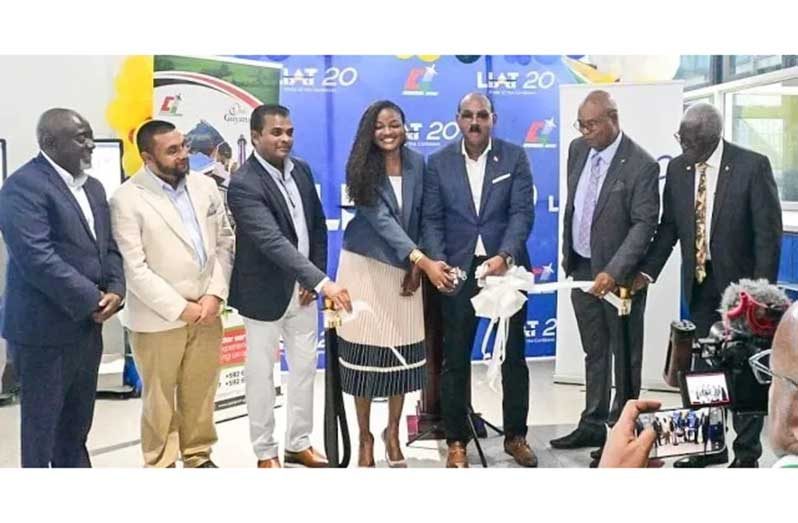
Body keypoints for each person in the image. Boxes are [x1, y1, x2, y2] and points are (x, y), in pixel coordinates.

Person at [635, 102, 782, 467]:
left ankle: (746, 455)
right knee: (704, 371)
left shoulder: (751, 166)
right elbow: (669, 228)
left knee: (745, 371)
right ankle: (708, 446)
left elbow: (768, 235)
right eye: (680, 139)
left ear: (711, 136)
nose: (683, 146)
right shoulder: (679, 168)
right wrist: (646, 272)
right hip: (700, 288)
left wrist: (760, 296)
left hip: (744, 297)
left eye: (689, 140)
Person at [227, 104, 352, 468]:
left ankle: (298, 443)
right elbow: (271, 241)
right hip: (264, 295)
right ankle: (265, 452)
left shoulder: (301, 170)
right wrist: (323, 281)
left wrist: (312, 276)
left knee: (303, 371)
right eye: (276, 132)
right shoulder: (243, 183)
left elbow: (316, 227)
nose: (285, 139)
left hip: (304, 292)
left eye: (289, 132)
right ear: (255, 137)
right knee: (262, 376)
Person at [0, 108, 125, 467]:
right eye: (80, 137)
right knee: (42, 429)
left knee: (75, 427)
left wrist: (115, 290)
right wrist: (92, 299)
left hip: (87, 327)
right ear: (49, 143)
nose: (90, 144)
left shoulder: (94, 186)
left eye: (90, 135)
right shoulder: (22, 186)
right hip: (44, 332)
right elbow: (36, 257)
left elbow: (109, 247)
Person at [110, 120, 235, 468]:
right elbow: (134, 269)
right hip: (158, 317)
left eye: (183, 146)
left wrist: (213, 296)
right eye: (173, 150)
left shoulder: (205, 185)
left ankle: (198, 456)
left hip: (208, 311)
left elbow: (225, 242)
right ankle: (161, 462)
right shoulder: (126, 198)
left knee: (201, 390)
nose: (184, 155)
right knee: (160, 399)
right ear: (148, 157)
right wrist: (182, 309)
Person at [422, 92, 536, 468]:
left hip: (507, 269)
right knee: (455, 358)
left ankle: (516, 436)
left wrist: (503, 255)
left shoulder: (514, 157)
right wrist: (439, 262)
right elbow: (433, 220)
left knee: (514, 357)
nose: (475, 122)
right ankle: (456, 441)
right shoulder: (438, 164)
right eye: (468, 115)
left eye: (482, 115)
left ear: (493, 119)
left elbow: (522, 213)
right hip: (458, 272)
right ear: (457, 119)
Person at [336, 100, 453, 467]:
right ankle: (365, 436)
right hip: (366, 266)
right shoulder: (361, 167)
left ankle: (392, 432)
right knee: (365, 359)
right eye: (380, 126)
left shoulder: (420, 163)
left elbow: (427, 218)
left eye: (394, 125)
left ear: (405, 127)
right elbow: (381, 220)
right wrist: (420, 260)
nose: (388, 132)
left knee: (401, 358)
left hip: (407, 269)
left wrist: (419, 267)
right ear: (369, 131)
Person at [550, 90, 660, 452]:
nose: (584, 132)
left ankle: (622, 433)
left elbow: (644, 225)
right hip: (581, 268)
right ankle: (593, 422)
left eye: (592, 124)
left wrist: (614, 271)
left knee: (624, 357)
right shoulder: (577, 151)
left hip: (618, 280)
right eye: (580, 124)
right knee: (594, 350)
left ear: (613, 118)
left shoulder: (641, 164)